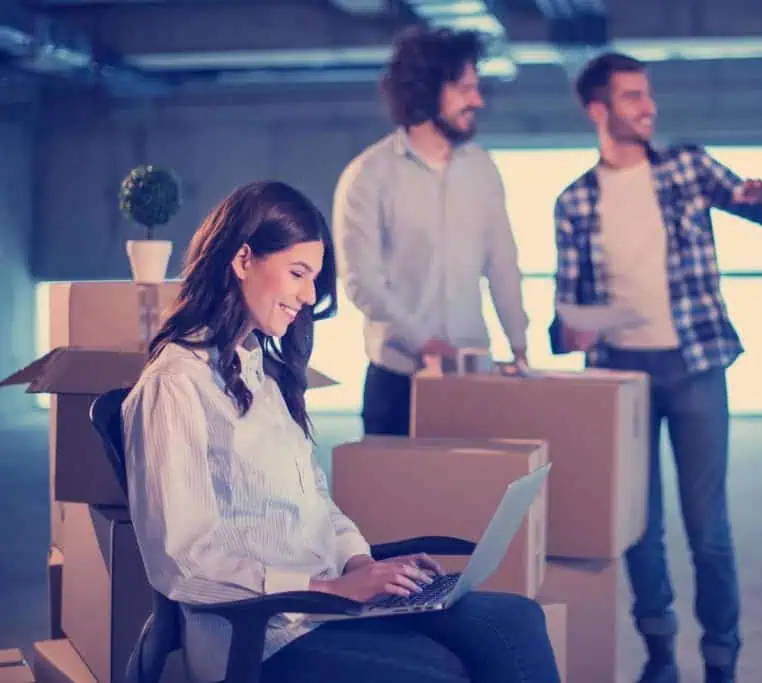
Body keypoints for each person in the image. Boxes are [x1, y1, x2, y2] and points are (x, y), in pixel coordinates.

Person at [121, 180, 560, 683]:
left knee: (517, 620)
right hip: (263, 635)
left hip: (325, 603)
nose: (309, 296)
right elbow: (183, 562)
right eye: (298, 274)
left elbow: (316, 503)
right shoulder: (175, 386)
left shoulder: (258, 370)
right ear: (243, 260)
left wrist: (357, 563)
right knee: (443, 672)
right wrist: (328, 588)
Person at [550, 54, 762, 683]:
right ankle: (660, 657)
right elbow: (567, 307)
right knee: (640, 530)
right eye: (633, 97)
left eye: (648, 95)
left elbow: (757, 206)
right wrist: (567, 330)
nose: (648, 107)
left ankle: (721, 663)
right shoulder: (575, 201)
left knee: (708, 528)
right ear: (598, 109)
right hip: (619, 378)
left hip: (696, 364)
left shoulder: (687, 165)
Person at [333, 25, 529, 437]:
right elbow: (361, 281)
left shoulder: (483, 169)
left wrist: (519, 343)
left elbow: (502, 262)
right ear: (423, 90)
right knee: (391, 501)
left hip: (474, 379)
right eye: (463, 89)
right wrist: (423, 342)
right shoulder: (368, 176)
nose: (476, 100)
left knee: (474, 499)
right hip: (397, 381)